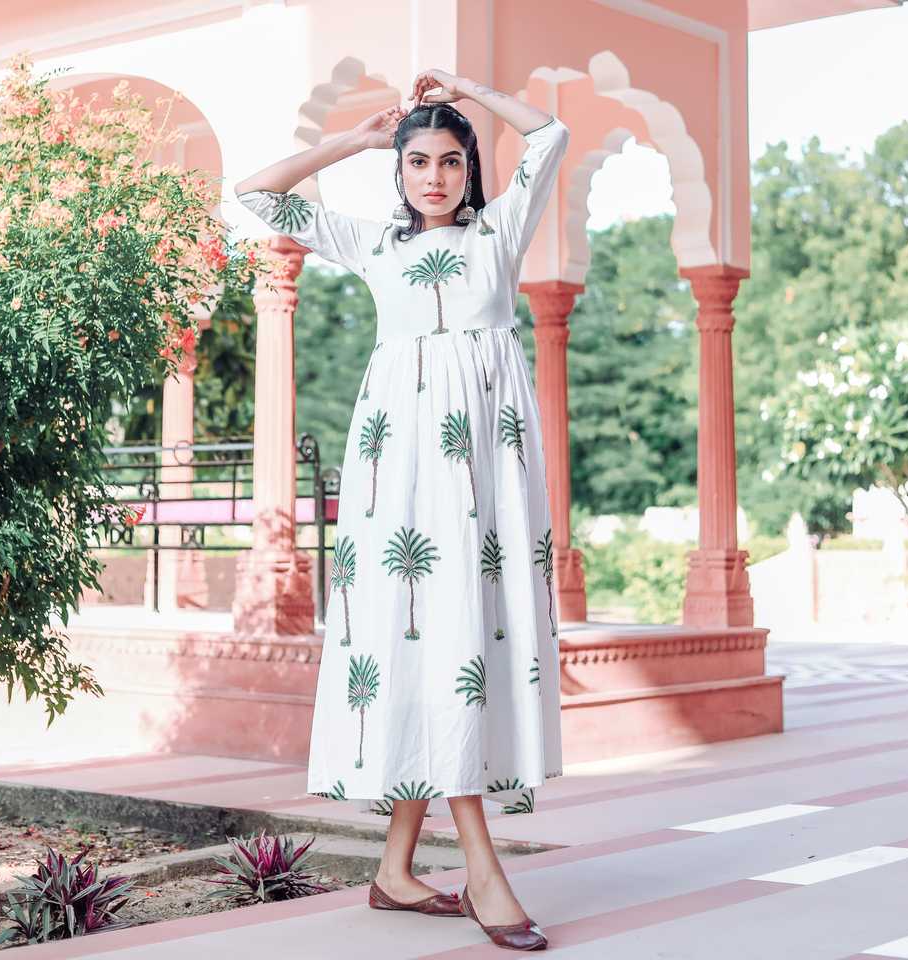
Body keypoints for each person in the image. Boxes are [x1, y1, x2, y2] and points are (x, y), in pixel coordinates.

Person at [236, 68, 570, 951]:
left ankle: (394, 870)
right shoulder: (374, 244)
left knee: (460, 642)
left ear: (470, 171)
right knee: (426, 639)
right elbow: (256, 194)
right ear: (399, 169)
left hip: (484, 481)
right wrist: (352, 139)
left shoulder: (499, 235)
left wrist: (471, 89)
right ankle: (481, 871)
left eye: (451, 161)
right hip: (399, 482)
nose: (434, 176)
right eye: (417, 161)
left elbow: (549, 136)